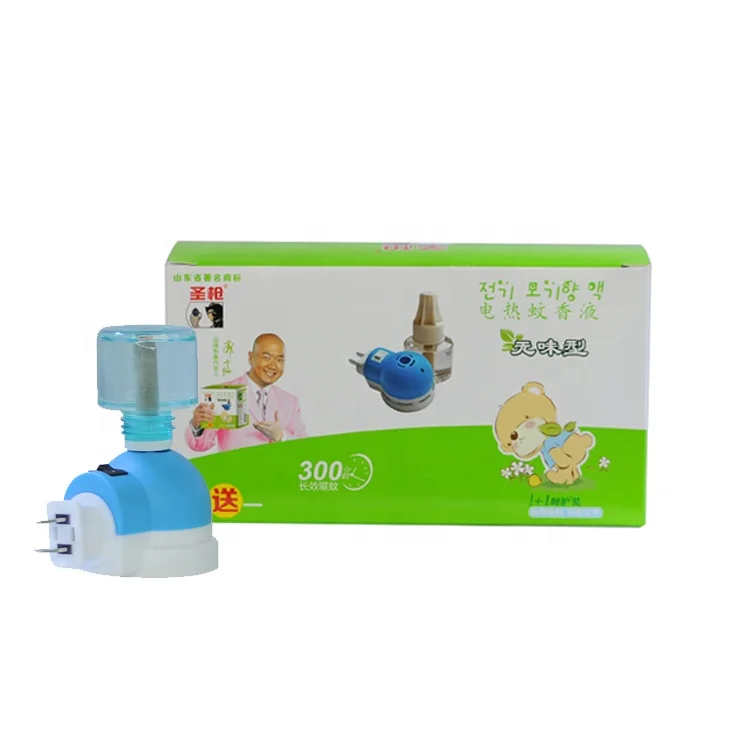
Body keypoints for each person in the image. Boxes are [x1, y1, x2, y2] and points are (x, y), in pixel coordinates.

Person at [186, 333, 307, 452]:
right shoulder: (225, 392)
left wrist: (281, 436)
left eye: (279, 360)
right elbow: (200, 445)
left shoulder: (290, 402)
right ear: (250, 357)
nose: (273, 365)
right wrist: (197, 425)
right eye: (266, 357)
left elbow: (306, 446)